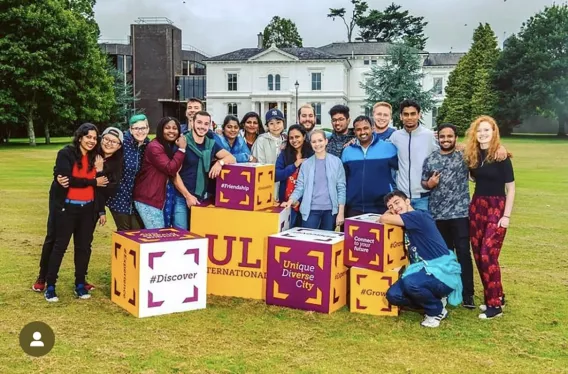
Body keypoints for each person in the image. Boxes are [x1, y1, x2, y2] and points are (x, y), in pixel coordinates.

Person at [41, 123, 109, 302]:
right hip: (67, 208)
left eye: (95, 138)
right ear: (80, 137)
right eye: (88, 137)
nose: (92, 141)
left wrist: (99, 174)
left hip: (87, 209)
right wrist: (93, 181)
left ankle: (80, 283)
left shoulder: (97, 158)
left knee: (83, 247)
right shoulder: (66, 153)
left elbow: (102, 184)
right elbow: (68, 180)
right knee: (59, 246)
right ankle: (50, 285)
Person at [380, 191, 463, 328]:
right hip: (424, 270)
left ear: (407, 201)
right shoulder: (407, 220)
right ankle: (435, 298)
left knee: (410, 282)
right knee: (393, 295)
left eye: (397, 203)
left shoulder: (417, 216)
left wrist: (387, 214)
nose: (394, 208)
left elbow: (384, 219)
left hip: (442, 273)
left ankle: (435, 311)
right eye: (390, 207)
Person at [464, 115, 515, 320]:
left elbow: (511, 188)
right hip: (477, 207)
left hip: (497, 208)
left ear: (494, 133)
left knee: (488, 255)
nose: (483, 134)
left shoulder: (502, 156)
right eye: (479, 130)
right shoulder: (474, 156)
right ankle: (496, 295)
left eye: (487, 130)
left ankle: (495, 306)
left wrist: (506, 215)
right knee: (478, 255)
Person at [421, 123, 475, 309]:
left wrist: (500, 148)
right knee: (444, 255)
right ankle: (447, 289)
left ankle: (468, 293)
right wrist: (430, 183)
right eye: (442, 136)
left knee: (463, 253)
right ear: (438, 138)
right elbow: (424, 182)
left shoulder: (464, 157)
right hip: (438, 214)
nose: (445, 140)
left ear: (455, 138)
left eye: (449, 136)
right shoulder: (431, 159)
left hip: (460, 213)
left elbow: (481, 152)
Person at [174, 111, 236, 229]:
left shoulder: (211, 144)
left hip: (201, 197)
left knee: (198, 234)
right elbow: (174, 173)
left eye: (206, 124)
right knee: (181, 235)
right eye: (199, 122)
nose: (202, 126)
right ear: (192, 123)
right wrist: (188, 196)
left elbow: (232, 158)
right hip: (181, 197)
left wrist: (220, 163)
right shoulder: (183, 142)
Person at [283, 130, 346, 231]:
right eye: (314, 142)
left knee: (326, 243)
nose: (317, 144)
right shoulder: (306, 164)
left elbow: (341, 188)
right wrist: (290, 201)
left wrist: (341, 212)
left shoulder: (336, 162)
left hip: (330, 211)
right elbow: (300, 187)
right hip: (310, 210)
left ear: (326, 141)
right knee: (308, 242)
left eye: (320, 140)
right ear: (310, 143)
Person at [133, 117, 187, 229]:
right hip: (149, 199)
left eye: (174, 128)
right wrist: (182, 150)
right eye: (167, 128)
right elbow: (170, 169)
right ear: (161, 129)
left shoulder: (167, 146)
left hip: (156, 198)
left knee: (159, 235)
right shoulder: (155, 147)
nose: (171, 131)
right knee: (157, 236)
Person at [341, 115, 398, 217]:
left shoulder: (389, 148)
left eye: (365, 128)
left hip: (382, 206)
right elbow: (343, 179)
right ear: (354, 131)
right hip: (354, 207)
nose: (362, 132)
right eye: (358, 129)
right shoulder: (347, 151)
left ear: (372, 128)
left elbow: (401, 172)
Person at [389, 100, 438, 212]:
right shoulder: (395, 136)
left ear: (419, 115)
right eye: (406, 114)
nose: (409, 117)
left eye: (413, 114)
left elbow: (441, 156)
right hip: (402, 197)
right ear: (401, 117)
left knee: (422, 228)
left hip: (423, 197)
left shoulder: (429, 135)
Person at [106, 114, 150, 231]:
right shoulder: (122, 143)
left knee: (138, 232)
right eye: (136, 128)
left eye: (143, 128)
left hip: (137, 199)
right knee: (125, 233)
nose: (140, 131)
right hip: (119, 197)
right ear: (130, 129)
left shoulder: (147, 146)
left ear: (148, 129)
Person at [275, 124, 314, 227]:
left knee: (304, 237)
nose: (294, 140)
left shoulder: (312, 154)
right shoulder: (284, 154)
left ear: (304, 137)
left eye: (297, 137)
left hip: (306, 203)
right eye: (291, 138)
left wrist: (299, 201)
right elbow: (276, 175)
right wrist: (294, 165)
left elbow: (314, 182)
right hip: (286, 203)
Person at [252, 109, 286, 199]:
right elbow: (259, 163)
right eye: (271, 123)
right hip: (265, 183)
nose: (275, 126)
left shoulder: (286, 141)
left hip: (283, 183)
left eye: (278, 122)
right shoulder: (261, 140)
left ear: (283, 123)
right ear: (267, 126)